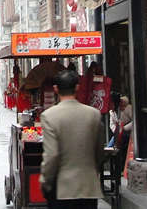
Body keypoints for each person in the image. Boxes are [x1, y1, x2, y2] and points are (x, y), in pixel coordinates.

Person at [39, 70, 105, 209]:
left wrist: (45, 180)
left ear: (56, 89)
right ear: (77, 87)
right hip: (88, 186)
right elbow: (99, 151)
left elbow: (51, 155)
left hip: (62, 188)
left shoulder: (49, 116)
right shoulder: (93, 114)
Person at [108, 94, 133, 174]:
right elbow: (111, 124)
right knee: (111, 146)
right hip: (118, 132)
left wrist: (124, 128)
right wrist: (117, 130)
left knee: (122, 147)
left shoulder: (128, 108)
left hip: (128, 132)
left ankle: (121, 167)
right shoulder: (112, 111)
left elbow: (134, 121)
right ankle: (115, 167)